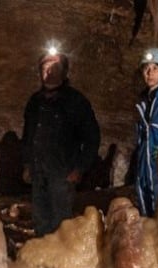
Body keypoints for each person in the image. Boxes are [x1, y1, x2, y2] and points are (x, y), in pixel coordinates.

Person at [23, 47, 101, 236]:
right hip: (38, 171)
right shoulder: (35, 101)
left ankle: (60, 263)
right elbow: (28, 135)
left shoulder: (75, 101)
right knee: (41, 221)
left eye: (55, 67)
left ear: (64, 71)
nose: (49, 71)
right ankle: (42, 261)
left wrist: (80, 168)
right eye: (45, 67)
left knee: (61, 224)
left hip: (62, 174)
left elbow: (92, 137)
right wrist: (27, 164)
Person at [133, 47, 158, 218]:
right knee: (143, 198)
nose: (150, 73)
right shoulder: (141, 101)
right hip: (144, 162)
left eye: (155, 68)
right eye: (146, 68)